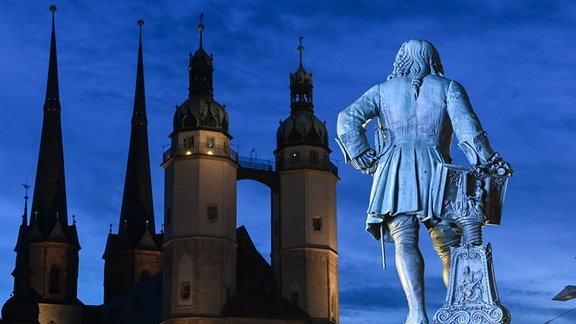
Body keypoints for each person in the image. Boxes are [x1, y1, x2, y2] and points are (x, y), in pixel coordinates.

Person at [336, 39, 512, 324]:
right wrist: (490, 161)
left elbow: (347, 118)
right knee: (449, 247)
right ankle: (461, 306)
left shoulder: (382, 90)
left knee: (404, 240)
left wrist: (361, 153)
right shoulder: (449, 88)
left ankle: (416, 313)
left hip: (393, 171)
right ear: (433, 61)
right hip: (439, 171)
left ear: (401, 61)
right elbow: (470, 133)